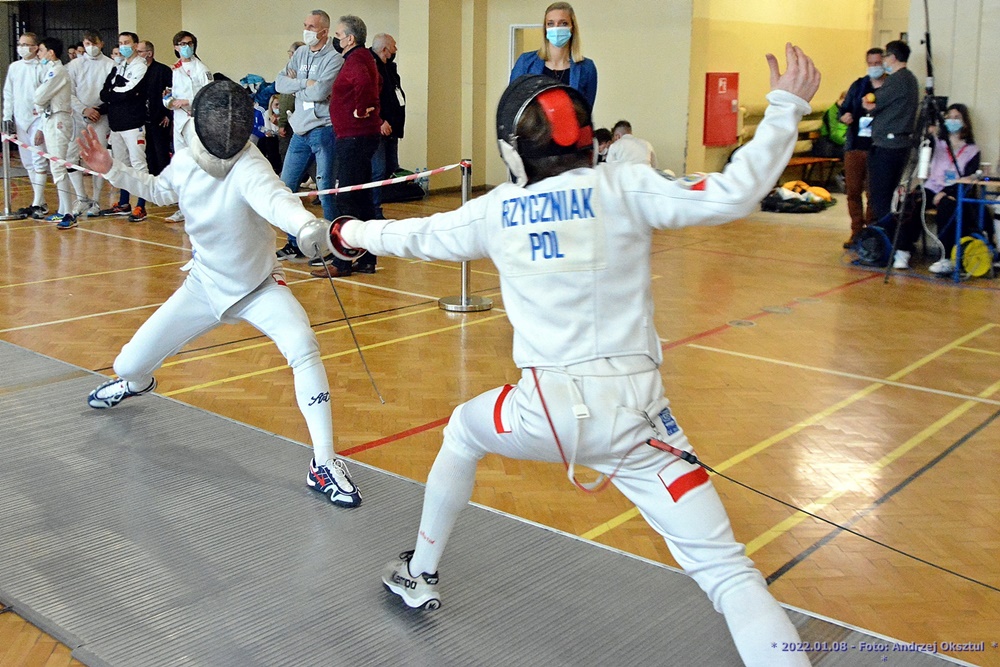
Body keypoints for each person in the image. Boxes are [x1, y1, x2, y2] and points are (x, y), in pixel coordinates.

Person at [320, 43, 819, 667]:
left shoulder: (500, 210)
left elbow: (411, 235)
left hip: (545, 413)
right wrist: (784, 108)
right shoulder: (627, 186)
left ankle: (421, 574)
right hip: (642, 423)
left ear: (512, 149)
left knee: (462, 431)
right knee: (728, 572)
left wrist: (344, 231)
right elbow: (734, 194)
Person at [75, 80, 362, 509]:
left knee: (304, 345)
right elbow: (158, 190)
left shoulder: (251, 167)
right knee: (126, 364)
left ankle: (324, 462)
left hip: (259, 286)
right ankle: (136, 382)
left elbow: (279, 202)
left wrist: (307, 230)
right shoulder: (187, 159)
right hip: (203, 284)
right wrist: (110, 168)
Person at [309, 15, 380, 279]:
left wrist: (361, 108)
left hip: (354, 137)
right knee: (360, 198)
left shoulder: (357, 59)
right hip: (357, 135)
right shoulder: (361, 58)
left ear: (350, 39)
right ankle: (367, 258)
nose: (336, 40)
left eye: (338, 36)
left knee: (347, 198)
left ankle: (344, 261)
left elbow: (364, 85)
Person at [274, 10, 342, 261]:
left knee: (325, 189)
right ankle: (294, 242)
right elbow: (280, 83)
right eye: (305, 25)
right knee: (286, 187)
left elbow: (321, 91)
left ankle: (331, 246)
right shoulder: (301, 53)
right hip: (299, 131)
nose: (307, 30)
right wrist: (306, 84)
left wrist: (305, 86)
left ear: (324, 31)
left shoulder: (334, 59)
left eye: (311, 26)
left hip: (323, 130)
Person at [862, 39, 919, 269]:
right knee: (890, 199)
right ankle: (895, 245)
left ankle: (898, 247)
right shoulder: (911, 80)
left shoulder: (897, 80)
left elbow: (872, 104)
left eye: (885, 56)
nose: (884, 60)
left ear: (893, 57)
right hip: (898, 146)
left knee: (883, 200)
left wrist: (870, 100)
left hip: (888, 147)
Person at [918, 104, 993, 274]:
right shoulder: (937, 142)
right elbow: (921, 147)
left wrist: (946, 193)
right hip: (932, 186)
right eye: (949, 117)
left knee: (947, 206)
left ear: (965, 122)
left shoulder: (972, 150)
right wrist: (930, 133)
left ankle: (946, 257)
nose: (952, 120)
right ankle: (902, 250)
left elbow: (967, 178)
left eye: (957, 117)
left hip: (952, 190)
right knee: (912, 201)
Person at [97, 31, 150, 221]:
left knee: (138, 165)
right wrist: (115, 90)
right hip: (116, 124)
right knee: (121, 165)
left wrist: (115, 92)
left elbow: (129, 92)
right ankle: (124, 202)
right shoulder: (118, 66)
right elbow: (104, 93)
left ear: (136, 45)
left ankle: (141, 206)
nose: (123, 46)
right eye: (120, 43)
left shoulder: (140, 66)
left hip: (133, 123)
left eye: (127, 42)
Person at [162, 30, 213, 223]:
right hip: (178, 122)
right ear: (176, 47)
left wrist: (188, 101)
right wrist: (170, 102)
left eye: (189, 43)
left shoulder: (202, 68)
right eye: (182, 44)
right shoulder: (173, 69)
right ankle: (184, 207)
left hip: (195, 121)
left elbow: (209, 95)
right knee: (181, 164)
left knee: (199, 163)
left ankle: (202, 206)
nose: (186, 47)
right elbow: (166, 95)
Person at [838, 48, 886, 248]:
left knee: (873, 192)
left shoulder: (890, 87)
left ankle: (872, 231)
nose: (873, 67)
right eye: (870, 63)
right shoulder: (859, 86)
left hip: (877, 146)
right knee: (853, 191)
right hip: (855, 145)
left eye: (877, 63)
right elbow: (844, 109)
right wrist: (844, 116)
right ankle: (856, 231)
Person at [510, 2, 597, 109]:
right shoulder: (526, 62)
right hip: (533, 125)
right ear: (545, 28)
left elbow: (586, 113)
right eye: (550, 24)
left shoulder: (587, 68)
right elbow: (512, 105)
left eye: (563, 23)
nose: (556, 28)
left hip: (569, 125)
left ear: (572, 27)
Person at [66, 29, 115, 217]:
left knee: (99, 160)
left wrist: (98, 110)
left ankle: (96, 200)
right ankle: (82, 198)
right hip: (78, 118)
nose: (91, 47)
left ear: (101, 44)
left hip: (101, 119)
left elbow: (113, 92)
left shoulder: (111, 65)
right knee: (72, 157)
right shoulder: (74, 65)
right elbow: (69, 92)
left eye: (94, 43)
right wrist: (84, 109)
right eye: (87, 43)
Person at [33, 36, 79, 229]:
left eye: (41, 50)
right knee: (56, 166)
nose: (39, 54)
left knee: (59, 165)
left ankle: (69, 213)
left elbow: (39, 96)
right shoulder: (50, 70)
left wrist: (39, 101)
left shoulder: (58, 71)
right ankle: (63, 209)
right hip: (51, 118)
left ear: (51, 52)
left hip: (59, 120)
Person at [3, 31, 50, 219]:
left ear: (36, 46)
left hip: (37, 119)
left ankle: (37, 204)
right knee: (28, 163)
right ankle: (40, 201)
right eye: (20, 43)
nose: (22, 47)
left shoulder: (43, 67)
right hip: (20, 120)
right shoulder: (15, 67)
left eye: (26, 44)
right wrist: (7, 117)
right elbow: (9, 94)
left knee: (39, 160)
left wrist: (42, 126)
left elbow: (47, 97)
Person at [370, 32, 405, 220]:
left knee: (388, 169)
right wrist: (380, 121)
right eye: (393, 46)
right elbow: (370, 99)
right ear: (384, 49)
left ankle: (377, 207)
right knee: (377, 170)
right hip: (378, 130)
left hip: (392, 129)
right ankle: (374, 211)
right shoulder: (371, 66)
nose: (396, 50)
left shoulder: (390, 68)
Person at [137, 41, 173, 188]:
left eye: (139, 52)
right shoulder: (138, 71)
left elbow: (171, 94)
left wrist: (168, 115)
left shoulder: (163, 71)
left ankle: (167, 186)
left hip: (159, 119)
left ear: (149, 53)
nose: (137, 55)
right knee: (148, 155)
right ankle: (153, 186)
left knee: (161, 154)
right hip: (142, 120)